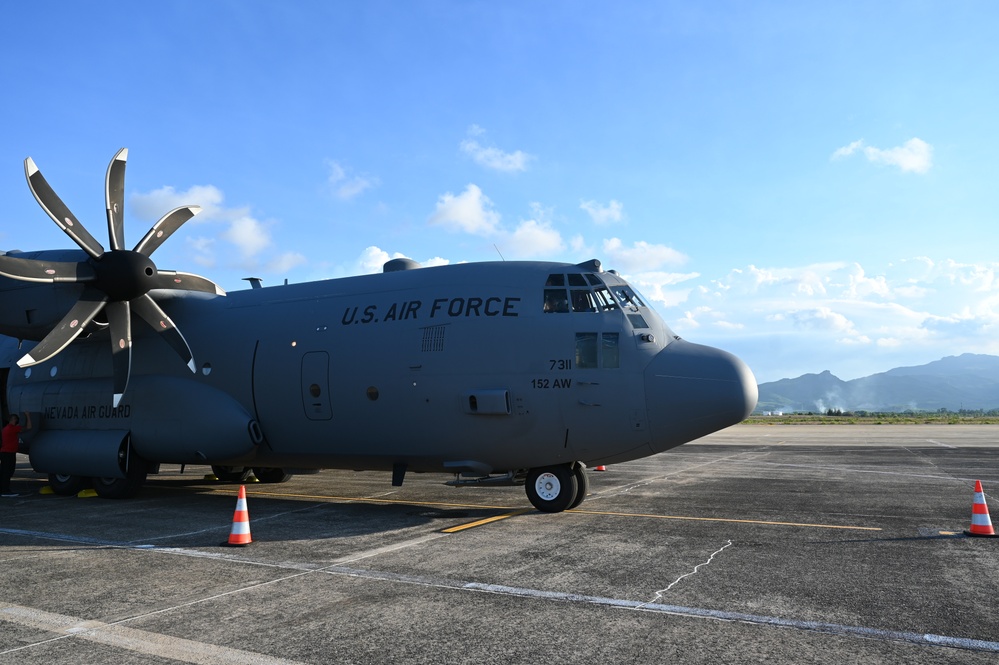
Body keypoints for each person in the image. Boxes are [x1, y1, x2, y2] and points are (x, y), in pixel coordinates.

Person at [1, 412, 31, 497]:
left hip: (5, 453)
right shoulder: (12, 428)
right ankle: (5, 491)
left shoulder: (5, 428)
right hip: (9, 453)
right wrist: (28, 416)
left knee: (4, 472)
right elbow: (28, 427)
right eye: (16, 420)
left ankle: (3, 489)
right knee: (8, 472)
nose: (17, 422)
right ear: (13, 420)